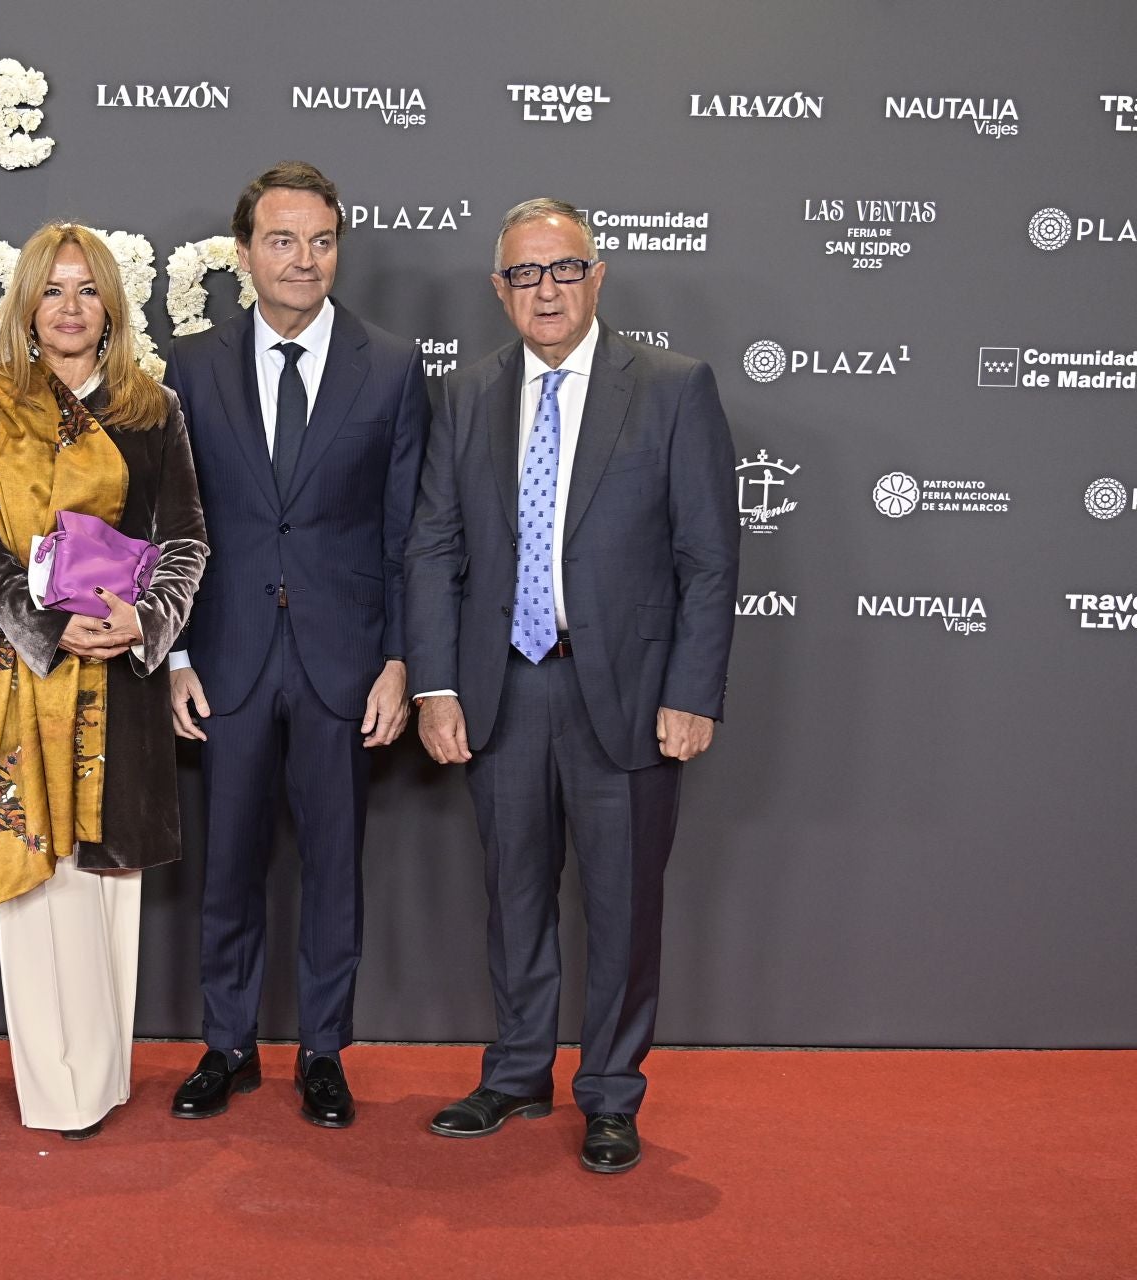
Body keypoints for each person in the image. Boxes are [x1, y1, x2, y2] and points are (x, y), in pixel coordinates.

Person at [405, 198, 739, 1173]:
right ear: (499, 289)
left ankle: (610, 1092)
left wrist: (694, 689)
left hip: (630, 697)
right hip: (501, 691)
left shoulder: (673, 388)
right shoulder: (468, 394)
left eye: (562, 269)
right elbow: (434, 545)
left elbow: (709, 557)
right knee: (514, 893)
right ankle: (514, 1069)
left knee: (624, 903)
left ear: (597, 277)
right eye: (524, 274)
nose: (544, 289)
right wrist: (435, 684)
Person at [0, 222, 208, 1141]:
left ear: (112, 305)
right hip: (19, 677)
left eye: (88, 290)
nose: (71, 308)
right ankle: (55, 1085)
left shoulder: (150, 407)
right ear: (25, 305)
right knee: (36, 886)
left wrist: (145, 620)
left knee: (104, 881)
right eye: (54, 290)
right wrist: (42, 623)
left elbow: (186, 538)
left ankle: (107, 1074)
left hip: (117, 676)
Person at [163, 161, 430, 1129]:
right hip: (226, 657)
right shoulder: (190, 365)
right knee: (226, 864)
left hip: (344, 661)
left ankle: (323, 1049)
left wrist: (402, 660)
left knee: (334, 864)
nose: (303, 259)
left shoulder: (393, 365)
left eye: (320, 241)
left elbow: (409, 531)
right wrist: (178, 655)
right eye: (281, 240)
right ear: (244, 255)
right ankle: (226, 1044)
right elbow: (171, 521)